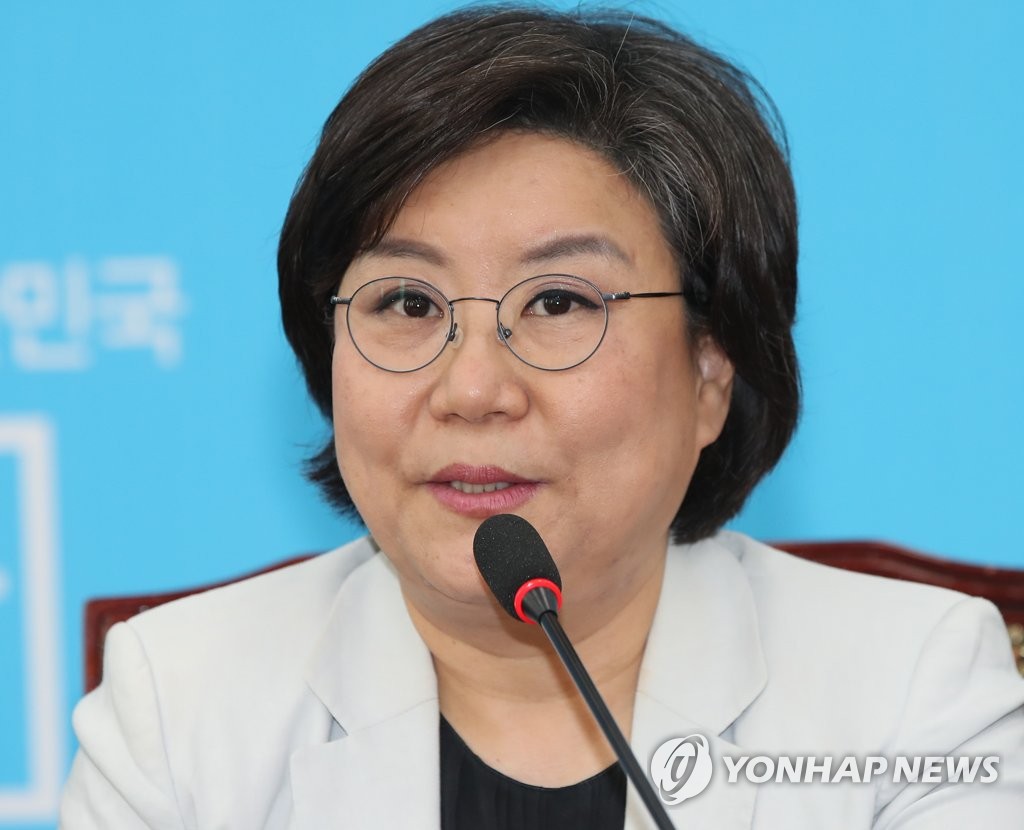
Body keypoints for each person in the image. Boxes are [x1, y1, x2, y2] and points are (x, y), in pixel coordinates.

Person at [61, 6, 1024, 828]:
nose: (473, 388)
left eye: (559, 302)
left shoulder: (912, 689)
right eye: (408, 303)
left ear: (710, 369)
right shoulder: (181, 704)